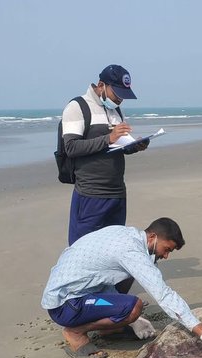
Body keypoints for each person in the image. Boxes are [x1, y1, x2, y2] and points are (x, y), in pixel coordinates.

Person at [41, 217, 202, 358]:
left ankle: (108, 328)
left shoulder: (126, 235)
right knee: (132, 307)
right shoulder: (131, 252)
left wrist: (132, 322)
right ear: (153, 237)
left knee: (127, 293)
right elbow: (164, 295)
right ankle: (75, 332)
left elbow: (102, 277)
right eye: (167, 249)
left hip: (71, 291)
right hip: (66, 304)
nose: (166, 256)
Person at [61, 64, 149, 247]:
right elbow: (71, 147)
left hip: (117, 193)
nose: (119, 100)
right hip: (90, 194)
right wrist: (108, 138)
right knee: (82, 249)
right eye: (116, 94)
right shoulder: (77, 107)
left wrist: (134, 146)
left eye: (123, 96)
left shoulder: (115, 110)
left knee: (112, 251)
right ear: (101, 85)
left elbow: (118, 145)